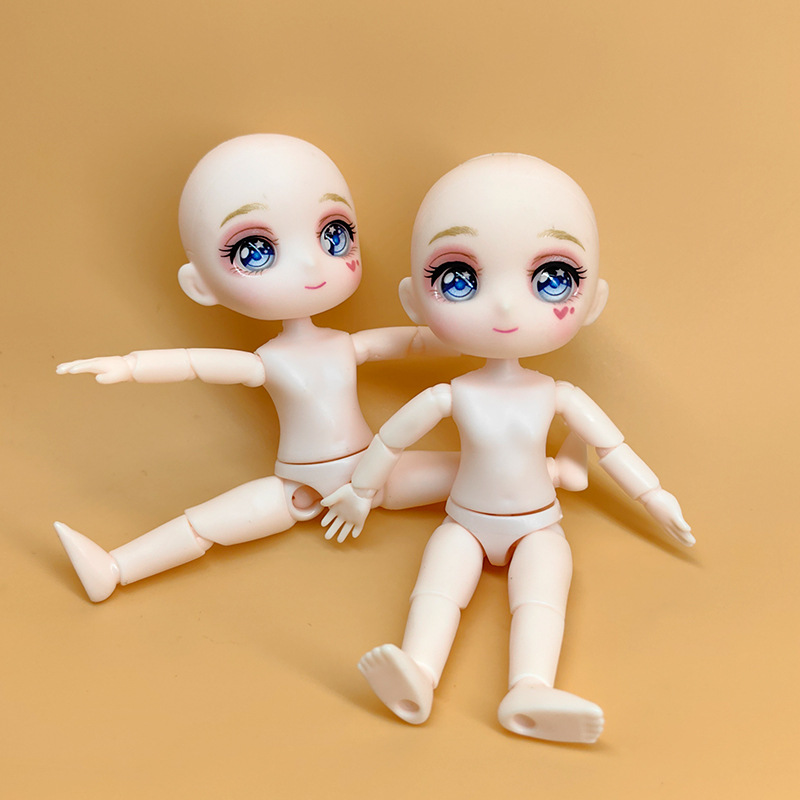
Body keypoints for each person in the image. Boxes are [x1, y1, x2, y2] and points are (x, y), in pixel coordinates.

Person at [320, 152, 694, 744]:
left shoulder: (557, 395)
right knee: (439, 585)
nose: (502, 307)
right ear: (414, 301)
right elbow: (391, 438)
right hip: (464, 521)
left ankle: (530, 689)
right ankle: (417, 672)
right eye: (458, 279)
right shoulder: (451, 394)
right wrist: (359, 493)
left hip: (537, 523)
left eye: (552, 278)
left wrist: (656, 498)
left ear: (593, 300)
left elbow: (613, 449)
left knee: (542, 593)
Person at [55, 134, 459, 602]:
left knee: (476, 474)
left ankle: (539, 492)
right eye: (254, 251)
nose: (310, 265)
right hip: (297, 487)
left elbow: (414, 342)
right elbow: (195, 363)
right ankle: (114, 567)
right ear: (201, 285)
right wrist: (131, 365)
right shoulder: (270, 361)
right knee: (203, 525)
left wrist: (480, 336)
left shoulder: (344, 344)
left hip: (377, 470)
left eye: (334, 235)